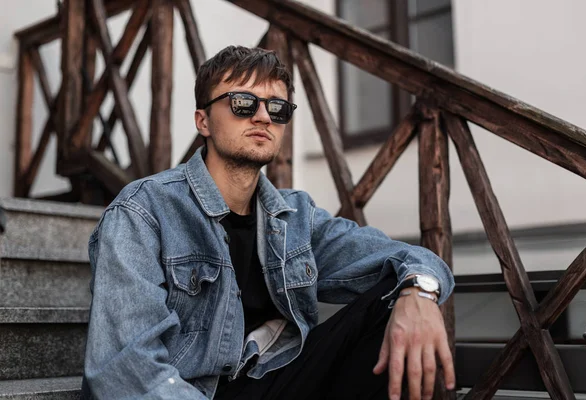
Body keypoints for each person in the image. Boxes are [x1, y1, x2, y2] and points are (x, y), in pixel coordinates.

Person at [82, 45, 455, 400]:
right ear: (203, 121)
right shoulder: (143, 211)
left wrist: (419, 292)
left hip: (272, 380)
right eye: (242, 103)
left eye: (277, 109)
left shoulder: (295, 216)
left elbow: (406, 257)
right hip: (191, 391)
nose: (263, 117)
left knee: (395, 300)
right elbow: (126, 369)